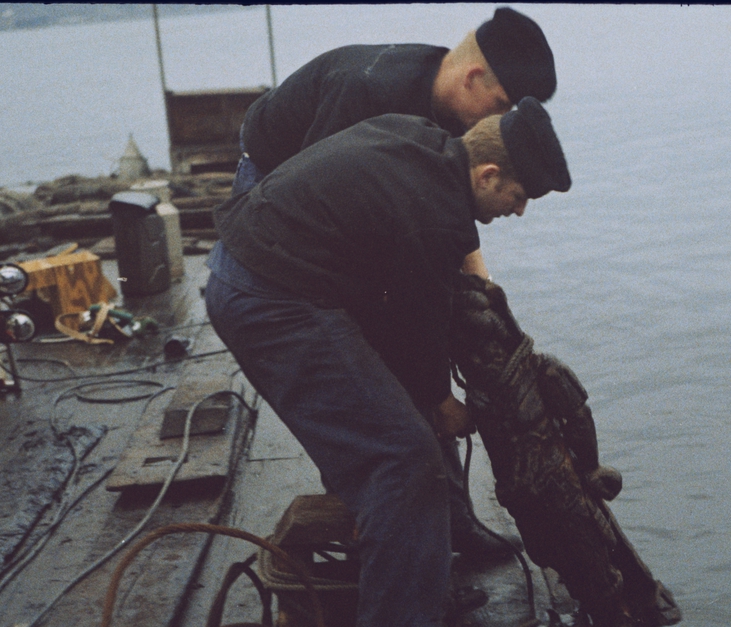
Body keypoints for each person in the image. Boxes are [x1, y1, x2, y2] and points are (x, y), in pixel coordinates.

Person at [205, 99, 571, 627]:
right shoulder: (434, 216)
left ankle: (419, 574)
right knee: (402, 456)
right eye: (519, 195)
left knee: (399, 433)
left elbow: (406, 308)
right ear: (487, 175)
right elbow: (413, 328)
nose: (519, 210)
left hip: (265, 264)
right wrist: (440, 403)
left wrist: (430, 394)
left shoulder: (424, 143)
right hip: (271, 298)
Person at [211, 6, 557, 560]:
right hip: (284, 196)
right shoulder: (366, 93)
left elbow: (447, 210)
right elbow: (325, 214)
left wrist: (480, 287)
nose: (500, 121)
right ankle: (378, 515)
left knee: (420, 350)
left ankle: (451, 519)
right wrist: (424, 382)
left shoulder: (449, 113)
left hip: (364, 203)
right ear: (474, 78)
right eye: (502, 107)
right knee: (363, 376)